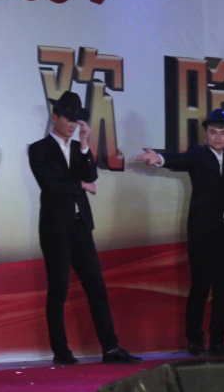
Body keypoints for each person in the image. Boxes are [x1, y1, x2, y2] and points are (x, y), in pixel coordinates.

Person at [135, 109, 224, 357]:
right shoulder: (198, 155)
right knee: (200, 287)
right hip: (202, 232)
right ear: (205, 133)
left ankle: (218, 341)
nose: (218, 137)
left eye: (223, 133)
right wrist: (158, 158)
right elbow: (177, 160)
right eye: (213, 132)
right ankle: (195, 340)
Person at [29, 91, 142, 366]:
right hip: (56, 229)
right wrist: (79, 185)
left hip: (81, 226)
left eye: (76, 119)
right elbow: (50, 185)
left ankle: (111, 348)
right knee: (59, 289)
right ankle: (61, 351)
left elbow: (91, 175)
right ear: (55, 117)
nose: (72, 124)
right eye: (67, 118)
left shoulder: (77, 147)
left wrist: (84, 145)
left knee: (97, 287)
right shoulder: (39, 149)